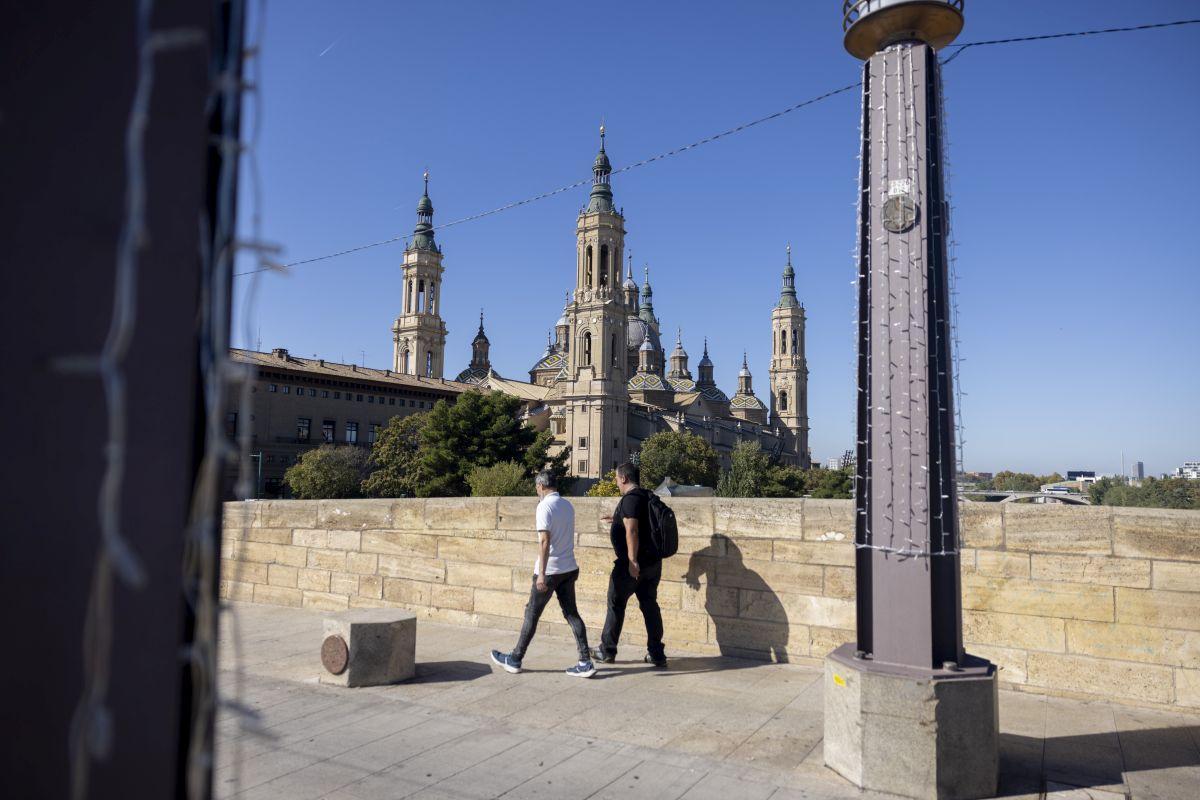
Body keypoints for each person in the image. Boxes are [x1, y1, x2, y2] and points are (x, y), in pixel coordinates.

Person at [491, 471, 595, 677]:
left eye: (536, 486)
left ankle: (515, 659)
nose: (536, 490)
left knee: (532, 613)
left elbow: (545, 541)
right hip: (569, 568)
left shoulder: (544, 506)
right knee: (571, 614)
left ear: (540, 485)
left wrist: (541, 574)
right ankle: (585, 661)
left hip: (550, 571)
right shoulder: (567, 505)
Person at [591, 462, 667, 667]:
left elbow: (632, 530)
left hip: (633, 565)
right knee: (650, 605)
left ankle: (607, 650)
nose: (616, 482)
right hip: (653, 563)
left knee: (615, 604)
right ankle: (657, 653)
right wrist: (616, 518)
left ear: (624, 478)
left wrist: (632, 561)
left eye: (616, 478)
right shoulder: (646, 496)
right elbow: (635, 523)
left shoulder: (630, 499)